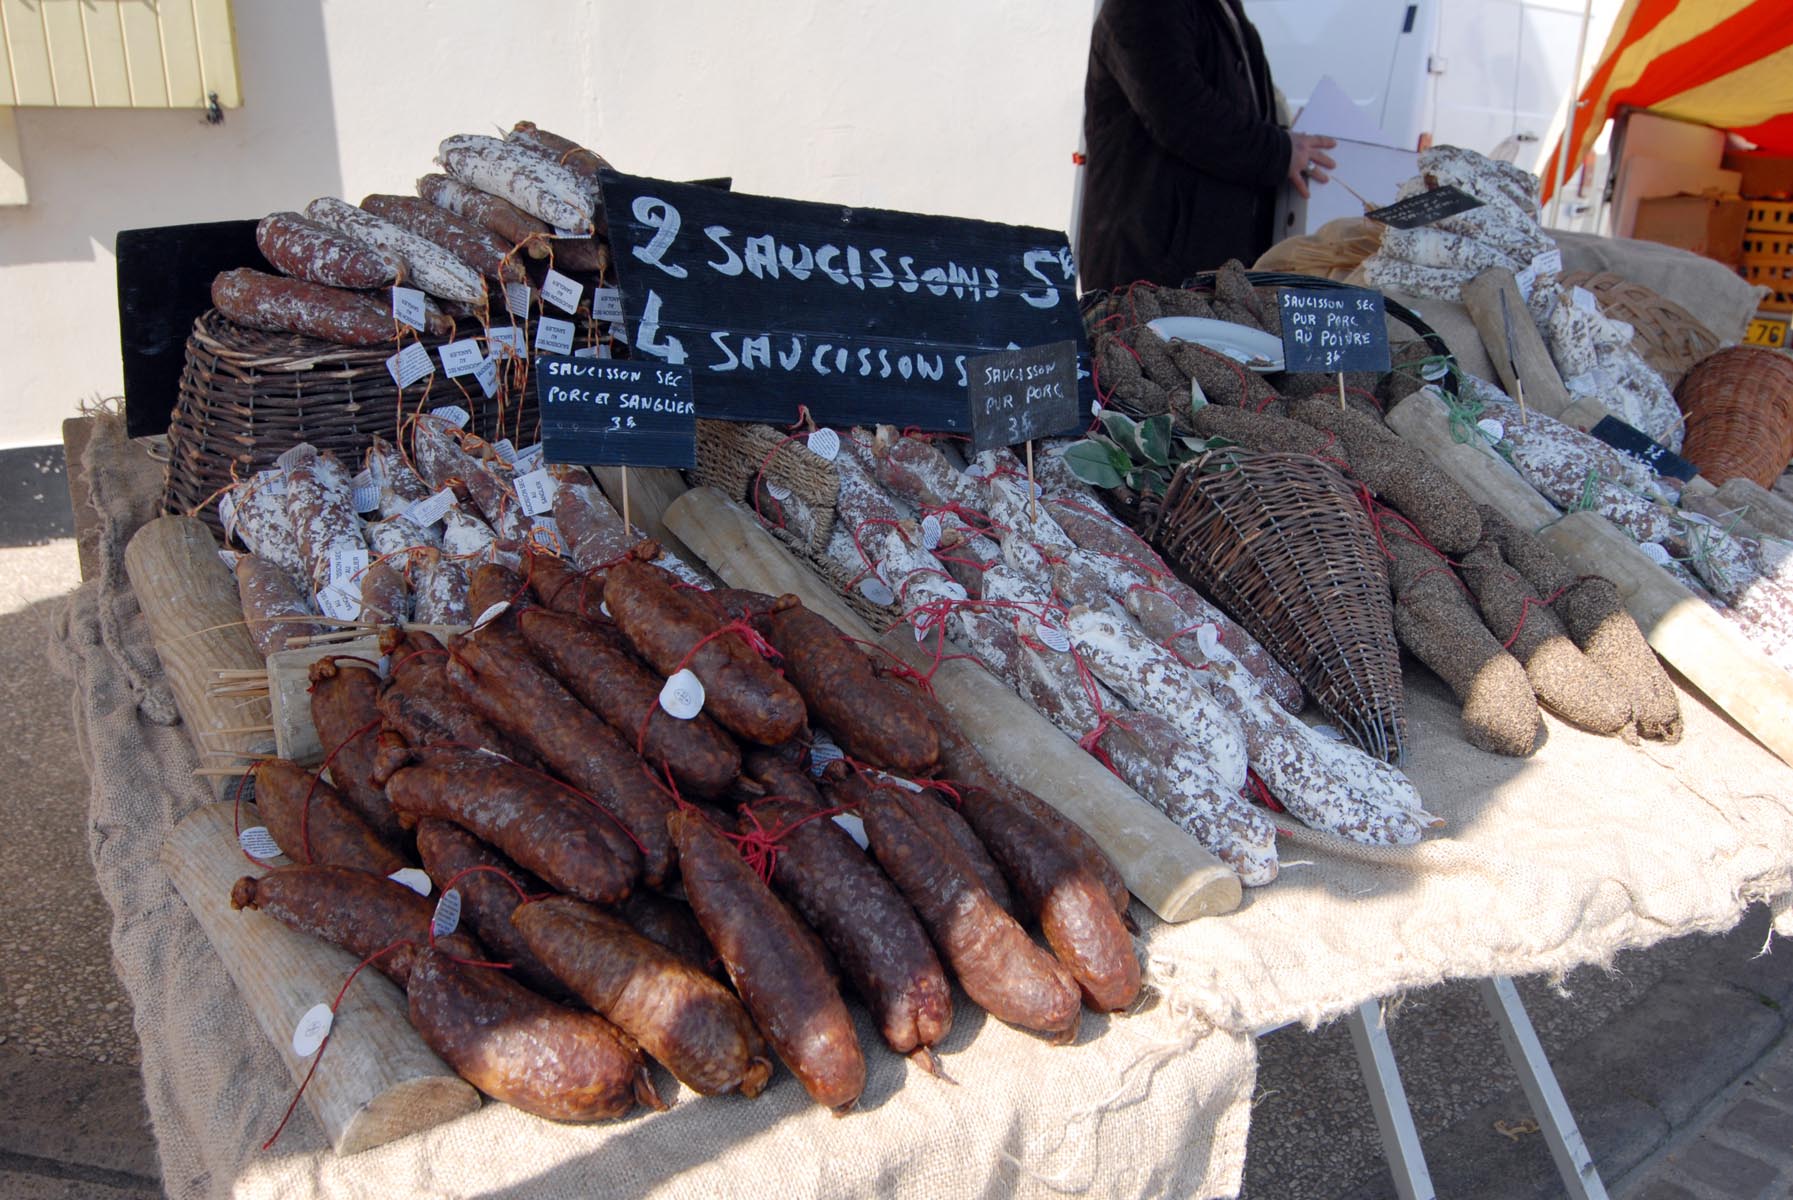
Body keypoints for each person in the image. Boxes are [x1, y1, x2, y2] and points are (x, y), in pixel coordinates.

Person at [1076, 0, 1337, 294]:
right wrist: (1280, 151)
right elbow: (1180, 113)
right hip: (1152, 272)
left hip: (1207, 272)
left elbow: (1230, 113)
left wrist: (1286, 141)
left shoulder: (1225, 11)